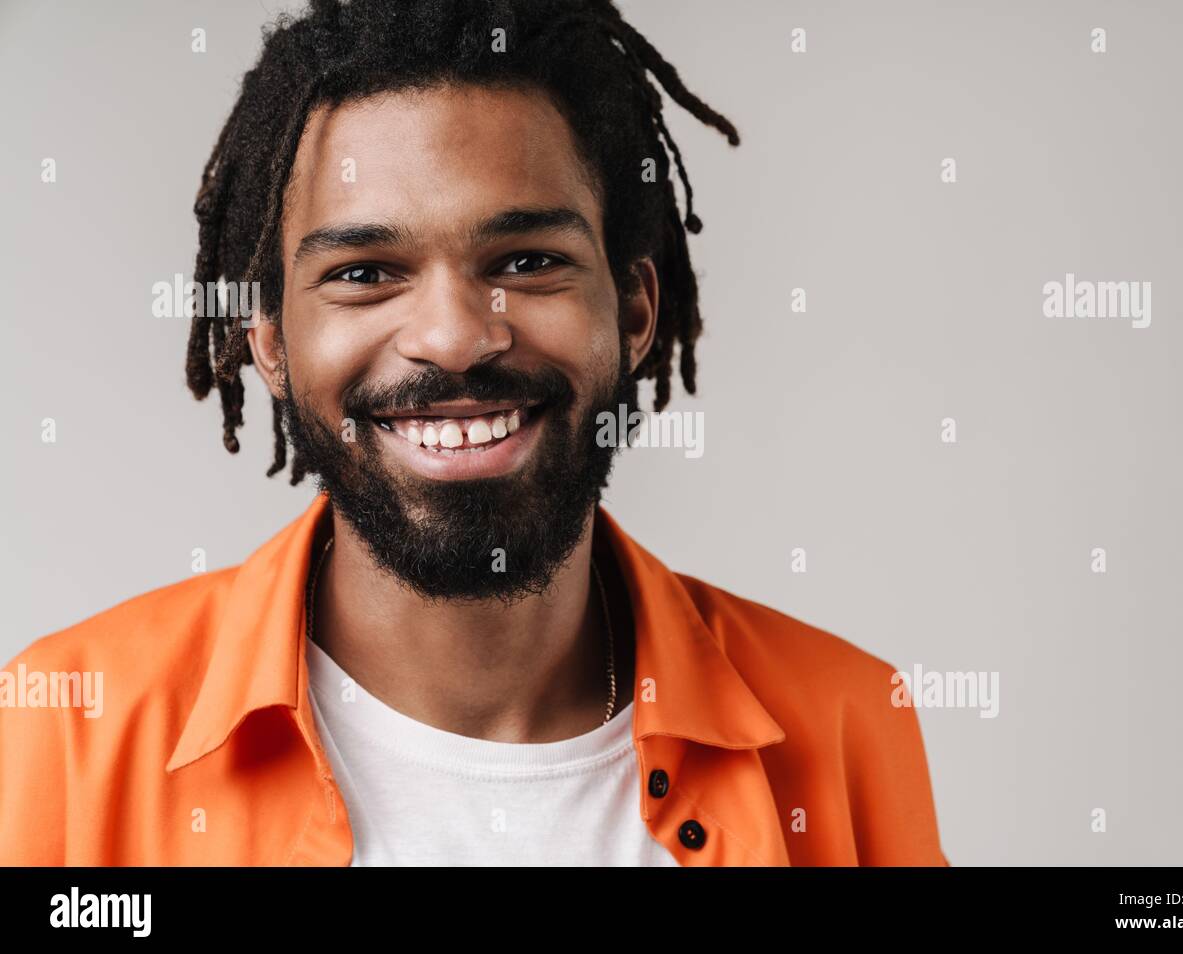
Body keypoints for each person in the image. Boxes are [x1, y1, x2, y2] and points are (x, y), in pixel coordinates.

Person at [0, 0, 947, 866]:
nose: (454, 336)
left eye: (528, 260)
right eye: (365, 273)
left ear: (634, 310)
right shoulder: (62, 730)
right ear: (273, 346)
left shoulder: (842, 720)